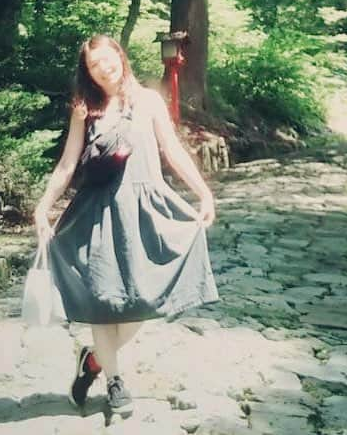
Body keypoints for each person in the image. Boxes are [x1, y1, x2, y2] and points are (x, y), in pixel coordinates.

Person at [33, 35, 218, 418]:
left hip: (145, 209)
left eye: (108, 58)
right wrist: (42, 208)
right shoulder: (85, 108)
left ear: (120, 56)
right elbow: (68, 163)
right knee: (104, 300)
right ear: (88, 72)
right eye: (94, 64)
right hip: (96, 213)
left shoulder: (149, 101)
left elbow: (172, 150)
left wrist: (203, 193)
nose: (104, 68)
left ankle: (96, 361)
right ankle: (115, 380)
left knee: (143, 299)